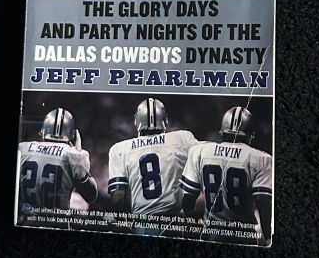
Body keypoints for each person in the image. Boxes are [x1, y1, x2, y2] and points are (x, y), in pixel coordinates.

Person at [179, 106, 272, 246]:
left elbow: (187, 201)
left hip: (212, 234)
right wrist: (268, 238)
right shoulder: (261, 159)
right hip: (244, 237)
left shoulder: (200, 151)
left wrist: (199, 226)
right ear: (251, 134)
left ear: (221, 131)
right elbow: (264, 204)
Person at [108, 98, 196, 235]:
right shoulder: (182, 139)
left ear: (136, 121)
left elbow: (118, 198)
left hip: (143, 226)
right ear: (165, 120)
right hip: (175, 226)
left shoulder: (120, 149)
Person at [18, 108, 97, 217]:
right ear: (72, 134)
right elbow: (91, 196)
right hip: (56, 222)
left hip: (26, 220)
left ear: (43, 131)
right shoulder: (74, 155)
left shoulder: (23, 148)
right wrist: (78, 150)